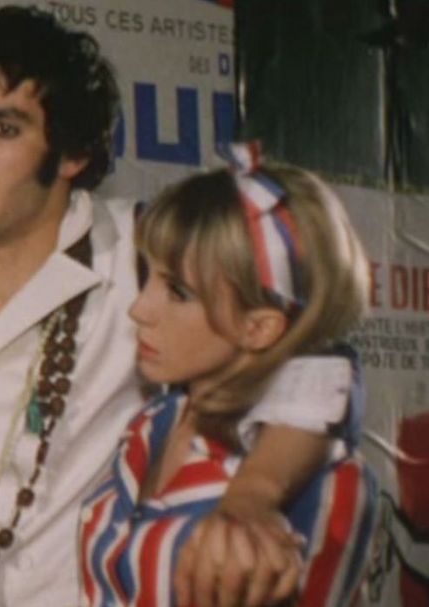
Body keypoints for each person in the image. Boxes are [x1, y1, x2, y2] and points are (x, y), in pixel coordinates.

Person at [0, 7, 349, 607]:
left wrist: (254, 496)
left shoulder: (145, 256)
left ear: (71, 154)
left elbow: (311, 364)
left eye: (4, 128)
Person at [79, 147, 378, 606]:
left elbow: (332, 374)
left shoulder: (326, 484)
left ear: (259, 327)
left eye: (178, 292)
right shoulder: (155, 422)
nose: (139, 308)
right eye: (147, 275)